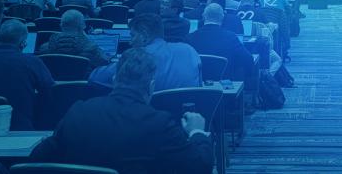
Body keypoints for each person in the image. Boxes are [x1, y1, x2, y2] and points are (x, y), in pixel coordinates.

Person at [31, 48, 214, 173]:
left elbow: (39, 156)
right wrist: (197, 132)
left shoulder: (78, 111)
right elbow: (201, 167)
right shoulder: (160, 122)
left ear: (114, 79)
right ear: (151, 86)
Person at [89, 14, 202, 91]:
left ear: (144, 35)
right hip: (187, 120)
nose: (130, 42)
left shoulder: (136, 57)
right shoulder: (190, 50)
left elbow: (95, 78)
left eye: (132, 35)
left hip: (146, 121)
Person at [188, 4, 255, 83]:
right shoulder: (231, 37)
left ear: (203, 16)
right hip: (223, 88)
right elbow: (248, 59)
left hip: (195, 88)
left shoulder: (190, 38)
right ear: (222, 17)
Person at [39, 10, 110, 70]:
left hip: (53, 85)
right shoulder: (91, 48)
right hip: (83, 85)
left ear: (61, 25)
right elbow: (105, 62)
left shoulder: (44, 49)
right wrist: (87, 39)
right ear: (82, 26)